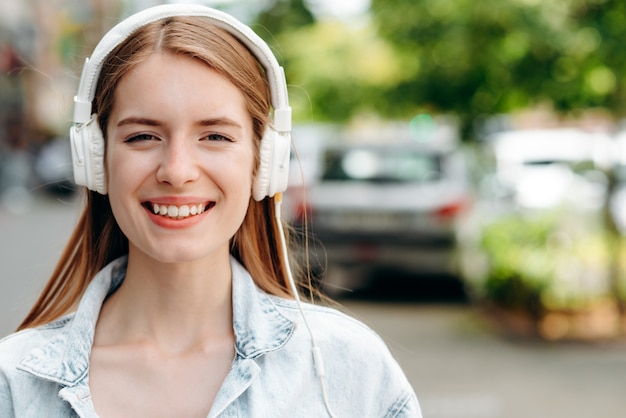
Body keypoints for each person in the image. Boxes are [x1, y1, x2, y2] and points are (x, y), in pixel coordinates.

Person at [0, 4, 421, 417]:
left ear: (264, 162)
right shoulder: (14, 384)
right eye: (143, 136)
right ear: (95, 158)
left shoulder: (349, 372)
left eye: (215, 136)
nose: (177, 171)